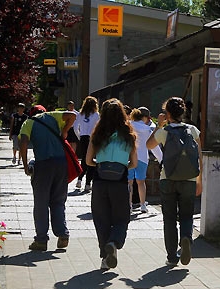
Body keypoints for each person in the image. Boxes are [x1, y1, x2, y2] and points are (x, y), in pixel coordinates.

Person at [146, 97, 202, 267]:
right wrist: (199, 180)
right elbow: (199, 156)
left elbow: (149, 145)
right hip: (189, 179)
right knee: (186, 215)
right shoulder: (192, 130)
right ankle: (186, 237)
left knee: (169, 219)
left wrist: (159, 125)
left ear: (167, 114)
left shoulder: (165, 131)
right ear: (183, 112)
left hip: (167, 179)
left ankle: (171, 257)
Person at [85, 99, 137, 271]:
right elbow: (134, 163)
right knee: (122, 218)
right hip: (120, 182)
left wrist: (100, 163)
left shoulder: (97, 134)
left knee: (101, 220)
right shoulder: (128, 135)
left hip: (100, 182)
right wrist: (122, 166)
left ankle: (105, 258)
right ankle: (114, 242)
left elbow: (87, 161)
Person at [19, 105, 77, 251]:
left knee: (41, 203)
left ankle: (41, 240)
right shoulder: (53, 116)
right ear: (44, 111)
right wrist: (64, 131)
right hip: (61, 164)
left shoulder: (28, 123)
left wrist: (26, 166)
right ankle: (63, 234)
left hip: (43, 165)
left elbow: (24, 143)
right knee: (58, 201)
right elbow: (72, 115)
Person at [128, 108, 154, 213]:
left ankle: (129, 205)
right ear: (145, 117)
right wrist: (161, 158)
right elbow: (153, 146)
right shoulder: (147, 129)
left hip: (129, 157)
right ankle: (143, 204)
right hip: (143, 157)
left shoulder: (129, 125)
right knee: (141, 182)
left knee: (129, 182)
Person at [74, 96, 100, 192]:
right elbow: (99, 127)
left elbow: (75, 127)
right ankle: (88, 183)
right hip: (92, 138)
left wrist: (79, 136)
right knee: (91, 161)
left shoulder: (80, 114)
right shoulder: (96, 115)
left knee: (84, 160)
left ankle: (80, 179)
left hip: (83, 137)